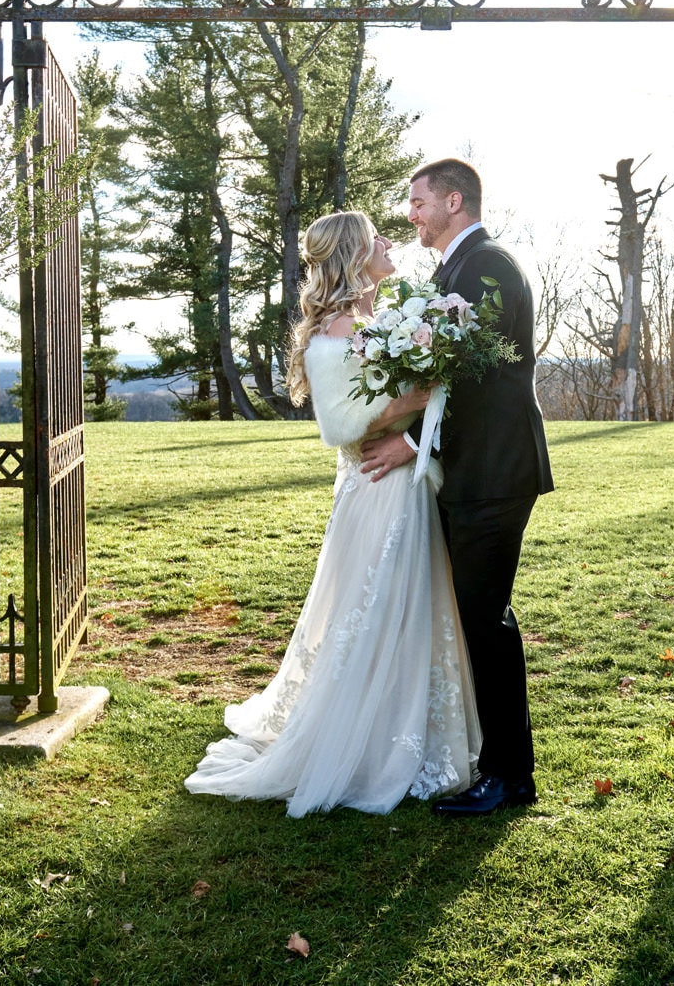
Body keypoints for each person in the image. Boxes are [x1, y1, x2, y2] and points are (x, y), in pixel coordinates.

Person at [184, 211, 482, 817]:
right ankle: (365, 746)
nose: (390, 243)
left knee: (409, 611)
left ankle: (410, 732)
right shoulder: (337, 329)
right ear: (354, 254)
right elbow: (339, 425)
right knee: (373, 613)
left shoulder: (379, 319)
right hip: (376, 488)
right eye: (377, 238)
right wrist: (416, 397)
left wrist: (426, 400)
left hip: (404, 482)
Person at [360, 158, 554, 817]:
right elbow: (446, 374)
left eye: (417, 202)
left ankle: (510, 777)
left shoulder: (488, 265)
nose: (410, 213)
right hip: (473, 473)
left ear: (453, 200)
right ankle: (489, 760)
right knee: (475, 619)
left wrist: (411, 441)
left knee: (486, 622)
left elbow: (477, 382)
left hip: (495, 472)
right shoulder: (456, 270)